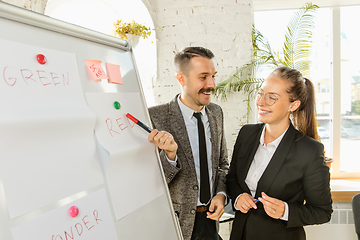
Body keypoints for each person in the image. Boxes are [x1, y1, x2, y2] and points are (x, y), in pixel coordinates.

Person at [226, 66, 333, 240]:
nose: (261, 102)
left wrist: (286, 211)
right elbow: (231, 178)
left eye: (272, 98)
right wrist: (238, 196)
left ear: (293, 105)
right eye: (261, 94)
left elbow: (322, 211)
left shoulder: (310, 151)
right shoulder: (246, 134)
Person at [147, 46, 229, 240]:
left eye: (213, 76)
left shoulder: (216, 113)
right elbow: (149, 181)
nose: (211, 84)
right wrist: (170, 156)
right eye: (203, 77)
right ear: (181, 79)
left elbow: (223, 164)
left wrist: (221, 194)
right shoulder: (155, 117)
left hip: (210, 222)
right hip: (174, 224)